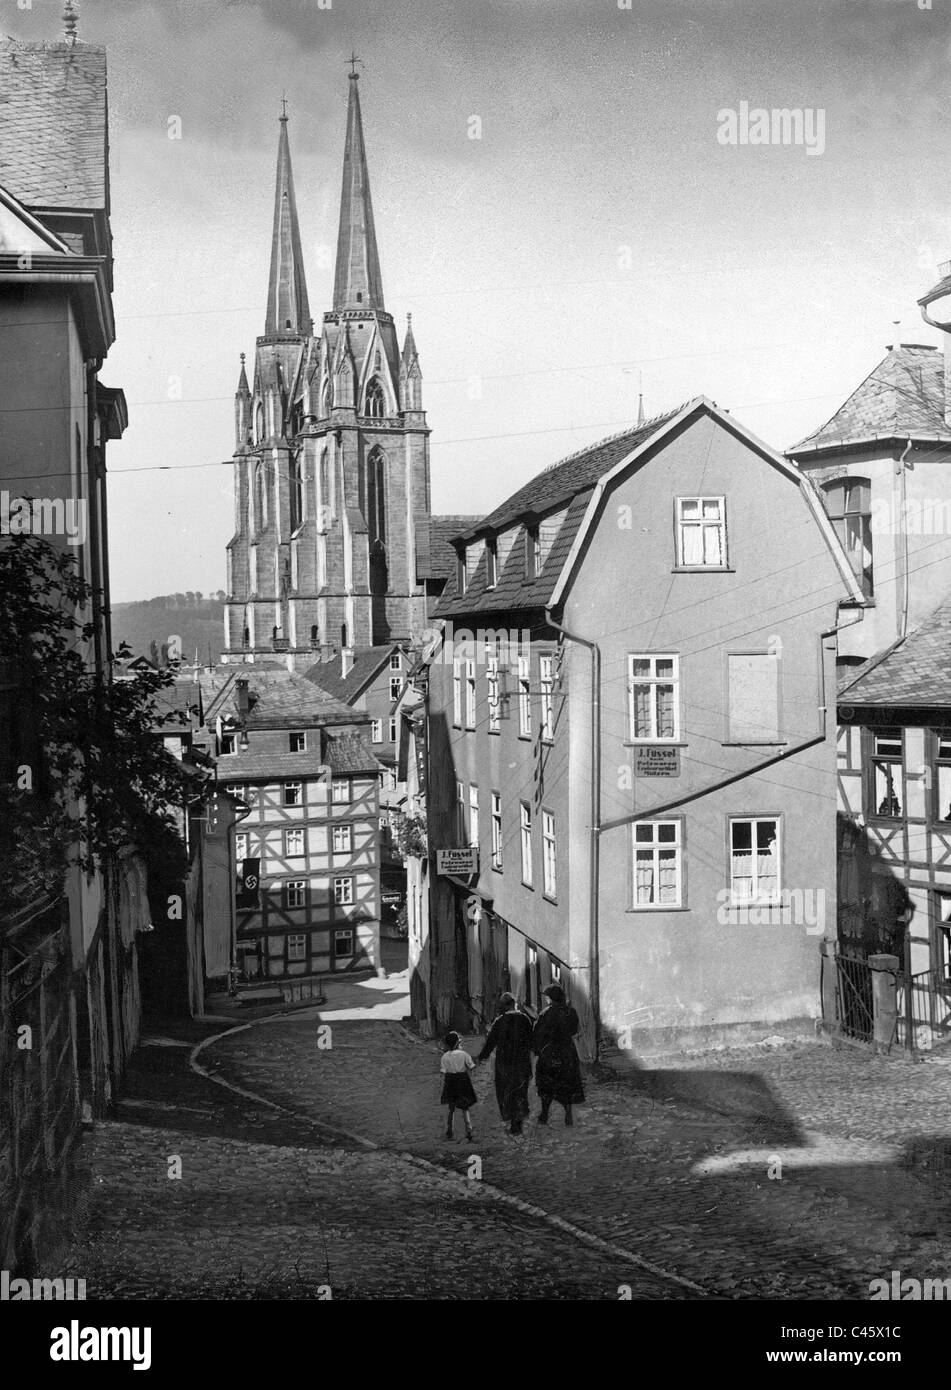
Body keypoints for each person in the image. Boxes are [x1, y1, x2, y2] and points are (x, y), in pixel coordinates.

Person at [477, 992, 534, 1135]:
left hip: (505, 1063)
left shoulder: (499, 1021)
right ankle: (518, 1122)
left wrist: (481, 1057)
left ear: (503, 1006)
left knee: (506, 1091)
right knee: (520, 1091)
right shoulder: (524, 1019)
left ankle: (512, 1120)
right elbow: (532, 1041)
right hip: (522, 1062)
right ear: (514, 1003)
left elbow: (490, 1043)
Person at [531, 983, 585, 1126]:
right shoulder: (571, 1012)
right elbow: (575, 1030)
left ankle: (544, 1115)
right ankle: (568, 1115)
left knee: (546, 1084)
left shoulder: (546, 1013)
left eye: (547, 997)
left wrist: (538, 1050)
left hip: (550, 1052)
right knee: (566, 1084)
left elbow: (537, 1034)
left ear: (551, 998)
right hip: (567, 1051)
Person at [439, 1030, 477, 1140]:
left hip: (450, 1081)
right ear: (458, 1043)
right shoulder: (464, 1054)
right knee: (465, 1108)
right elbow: (472, 1067)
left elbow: (443, 1072)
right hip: (462, 1081)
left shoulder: (445, 1056)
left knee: (451, 1109)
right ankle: (469, 1131)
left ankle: (450, 1131)